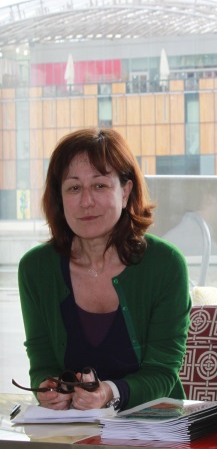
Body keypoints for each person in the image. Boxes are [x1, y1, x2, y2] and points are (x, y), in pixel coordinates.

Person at [16, 128, 191, 411]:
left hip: (154, 424)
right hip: (71, 428)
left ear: (125, 192)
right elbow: (42, 360)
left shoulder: (166, 265)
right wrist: (48, 389)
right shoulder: (35, 269)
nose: (86, 201)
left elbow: (162, 372)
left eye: (99, 185)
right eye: (74, 188)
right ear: (60, 197)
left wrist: (109, 393)